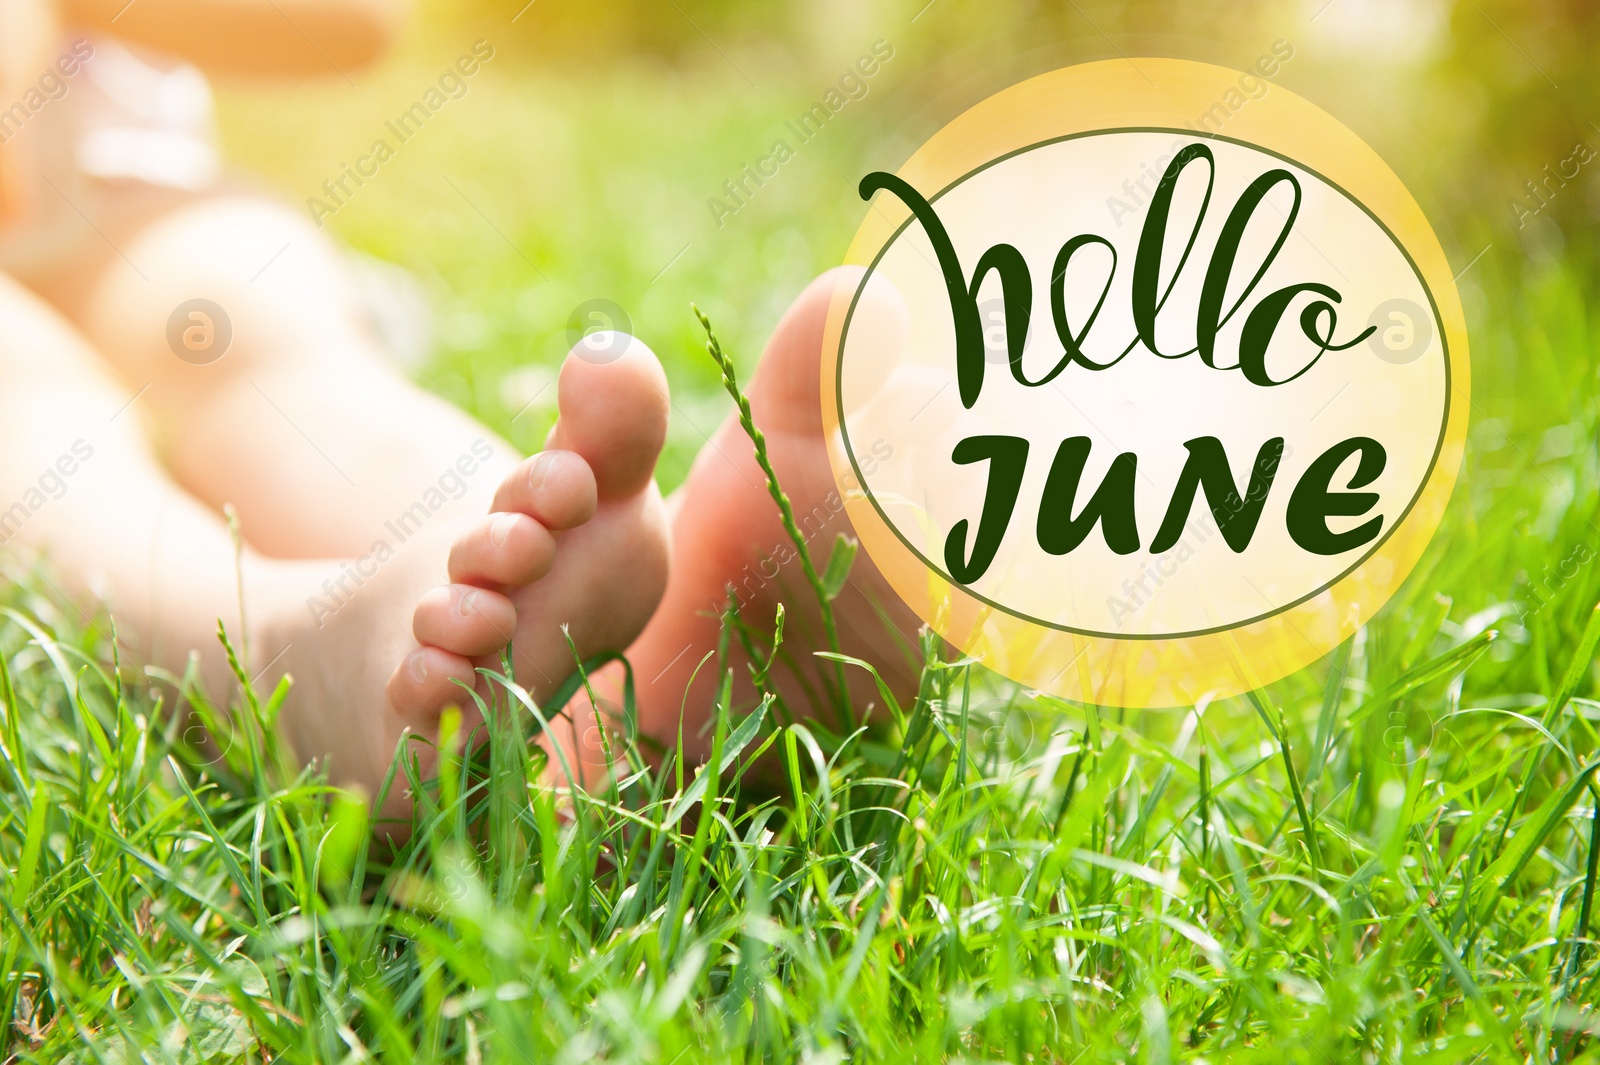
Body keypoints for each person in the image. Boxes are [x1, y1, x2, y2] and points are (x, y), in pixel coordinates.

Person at [0, 0, 922, 824]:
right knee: (31, 413)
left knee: (277, 348)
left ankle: (534, 621)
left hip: (135, 190)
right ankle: (285, 653)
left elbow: (359, 20)